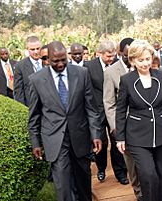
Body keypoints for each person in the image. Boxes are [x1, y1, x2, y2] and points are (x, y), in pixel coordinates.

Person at [28, 41, 102, 201]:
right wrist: (35, 142)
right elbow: (34, 115)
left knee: (83, 183)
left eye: (63, 60)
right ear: (48, 59)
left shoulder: (82, 73)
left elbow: (91, 108)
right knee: (63, 185)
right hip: (55, 139)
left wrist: (96, 134)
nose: (60, 64)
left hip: (80, 137)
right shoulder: (37, 80)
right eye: (56, 61)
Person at [115, 40, 162, 201]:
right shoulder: (127, 80)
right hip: (137, 137)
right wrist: (120, 138)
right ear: (132, 61)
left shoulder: (161, 76)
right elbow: (120, 110)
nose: (145, 63)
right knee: (148, 174)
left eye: (147, 59)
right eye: (140, 60)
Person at [103, 37, 142, 199]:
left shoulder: (142, 67)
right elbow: (109, 102)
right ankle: (139, 192)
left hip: (145, 123)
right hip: (125, 125)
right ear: (120, 53)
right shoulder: (111, 72)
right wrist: (115, 126)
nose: (129, 59)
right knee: (132, 163)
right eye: (126, 55)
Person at [86, 40, 128, 184]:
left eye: (113, 56)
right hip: (97, 112)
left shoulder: (119, 66)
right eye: (108, 56)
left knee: (117, 141)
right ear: (99, 53)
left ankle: (120, 173)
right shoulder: (89, 67)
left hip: (114, 110)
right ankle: (101, 169)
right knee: (101, 143)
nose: (111, 59)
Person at [14, 36, 43, 106]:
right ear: (27, 50)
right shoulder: (20, 66)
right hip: (31, 106)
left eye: (38, 48)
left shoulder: (48, 62)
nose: (36, 52)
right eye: (32, 49)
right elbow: (18, 91)